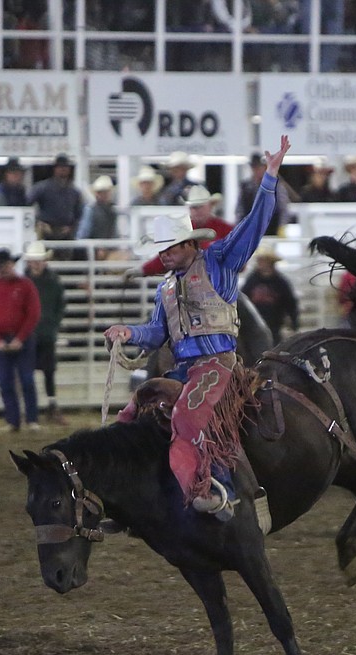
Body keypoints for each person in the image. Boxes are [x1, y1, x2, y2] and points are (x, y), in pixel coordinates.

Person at [105, 134, 292, 516]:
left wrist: (269, 179)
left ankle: (214, 489)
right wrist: (129, 332)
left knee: (189, 418)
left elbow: (253, 226)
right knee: (131, 415)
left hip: (218, 364)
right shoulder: (165, 288)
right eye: (162, 250)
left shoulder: (219, 262)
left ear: (191, 245)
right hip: (183, 368)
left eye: (172, 248)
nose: (166, 255)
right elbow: (157, 332)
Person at [0, 248, 42, 432]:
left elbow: (33, 314)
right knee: (5, 380)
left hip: (21, 338)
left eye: (7, 265)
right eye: (2, 266)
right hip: (4, 339)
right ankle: (13, 420)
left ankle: (30, 419)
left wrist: (20, 338)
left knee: (26, 379)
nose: (4, 268)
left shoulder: (25, 285)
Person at [23, 240, 66, 424]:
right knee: (29, 372)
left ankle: (49, 405)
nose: (36, 263)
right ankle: (36, 408)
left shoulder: (51, 282)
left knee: (48, 371)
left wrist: (52, 324)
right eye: (34, 260)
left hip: (45, 332)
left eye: (38, 260)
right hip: (30, 333)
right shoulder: (29, 282)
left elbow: (60, 306)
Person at [241, 246, 299, 344]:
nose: (260, 264)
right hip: (253, 322)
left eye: (263, 261)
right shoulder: (252, 279)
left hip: (274, 322)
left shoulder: (280, 281)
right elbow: (244, 299)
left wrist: (294, 323)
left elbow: (290, 302)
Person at [28, 154, 84, 242]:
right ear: (55, 169)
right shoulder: (42, 188)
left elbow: (79, 213)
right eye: (60, 167)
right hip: (46, 231)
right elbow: (26, 205)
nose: (63, 169)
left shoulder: (74, 192)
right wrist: (38, 222)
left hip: (66, 233)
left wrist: (72, 227)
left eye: (65, 167)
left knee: (65, 255)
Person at [237, 152, 289, 236]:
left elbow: (283, 209)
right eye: (254, 167)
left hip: (272, 229)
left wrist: (281, 226)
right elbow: (240, 210)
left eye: (259, 167)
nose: (257, 170)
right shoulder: (245, 187)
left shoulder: (276, 186)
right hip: (250, 232)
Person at [76, 175, 119, 253]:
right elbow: (83, 234)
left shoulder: (113, 210)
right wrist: (96, 247)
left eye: (106, 192)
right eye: (101, 192)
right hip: (93, 249)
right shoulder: (90, 210)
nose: (104, 195)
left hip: (108, 248)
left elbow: (114, 233)